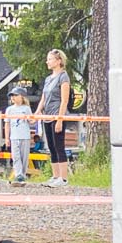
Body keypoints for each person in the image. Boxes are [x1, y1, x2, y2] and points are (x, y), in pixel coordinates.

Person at [39, 49, 73, 187]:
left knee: (59, 145)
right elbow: (44, 97)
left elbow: (64, 100)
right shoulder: (48, 79)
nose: (48, 61)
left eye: (50, 59)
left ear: (58, 61)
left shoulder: (63, 77)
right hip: (47, 115)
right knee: (51, 146)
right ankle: (55, 175)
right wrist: (37, 111)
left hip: (57, 114)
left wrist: (60, 118)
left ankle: (63, 178)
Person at [6, 84, 37, 183]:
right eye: (12, 96)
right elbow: (7, 124)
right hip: (14, 136)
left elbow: (31, 122)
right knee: (16, 156)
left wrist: (34, 118)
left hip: (25, 136)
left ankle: (22, 175)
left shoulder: (26, 109)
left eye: (15, 95)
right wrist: (7, 138)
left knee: (24, 157)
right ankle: (18, 174)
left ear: (21, 96)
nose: (13, 98)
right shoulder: (9, 110)